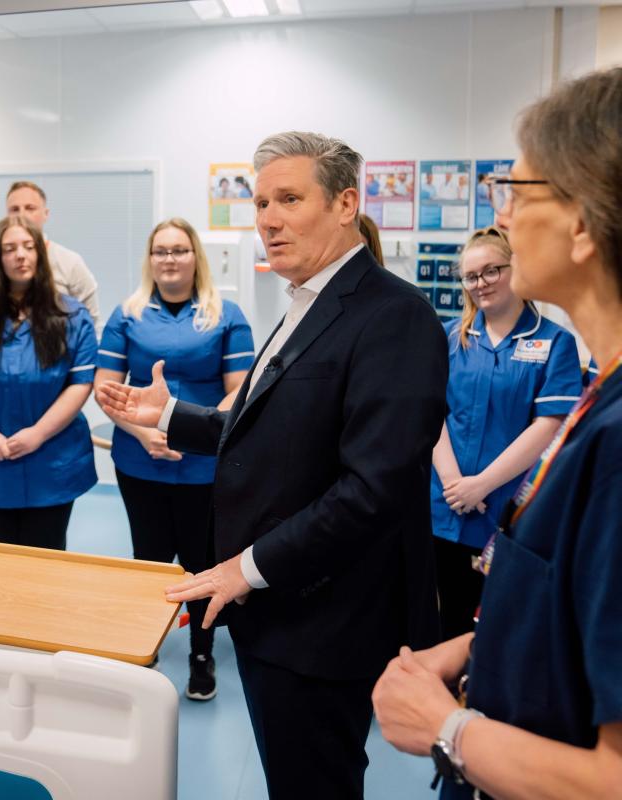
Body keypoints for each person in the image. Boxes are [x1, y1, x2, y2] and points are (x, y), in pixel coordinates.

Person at [97, 132, 448, 799]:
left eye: (289, 198)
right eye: (260, 202)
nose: (267, 219)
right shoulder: (305, 303)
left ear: (346, 203)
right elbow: (277, 430)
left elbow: (374, 489)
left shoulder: (393, 316)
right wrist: (170, 417)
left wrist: (246, 567)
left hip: (323, 622)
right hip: (279, 615)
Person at [374, 66, 622, 800]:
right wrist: (476, 648)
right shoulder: (601, 398)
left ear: (581, 223)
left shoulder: (615, 448)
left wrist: (445, 729)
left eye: (516, 192)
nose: (503, 219)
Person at [94, 218, 253, 700]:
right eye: (160, 251)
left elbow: (238, 393)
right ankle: (145, 648)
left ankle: (201, 656)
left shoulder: (225, 314)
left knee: (202, 563)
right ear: (150, 259)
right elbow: (107, 389)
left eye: (179, 250)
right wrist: (147, 435)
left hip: (205, 464)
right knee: (148, 559)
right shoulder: (127, 314)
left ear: (195, 258)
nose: (169, 259)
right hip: (142, 460)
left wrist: (192, 430)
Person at [429, 227, 581, 639]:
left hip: (507, 513)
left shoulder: (555, 343)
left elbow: (548, 426)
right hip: (445, 507)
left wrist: (481, 485)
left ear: (516, 269)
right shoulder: (448, 338)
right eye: (471, 276)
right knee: (446, 623)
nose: (481, 283)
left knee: (502, 630)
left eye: (492, 270)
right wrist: (453, 484)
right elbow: (431, 412)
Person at [0, 215, 98, 550]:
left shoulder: (71, 316)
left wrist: (39, 433)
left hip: (53, 460)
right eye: (10, 249)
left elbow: (81, 382)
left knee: (47, 556)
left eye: (28, 247)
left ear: (41, 255)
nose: (20, 255)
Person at [0, 181, 100, 326]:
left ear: (45, 214)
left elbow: (91, 322)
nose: (22, 215)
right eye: (15, 209)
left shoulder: (70, 262)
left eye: (30, 208)